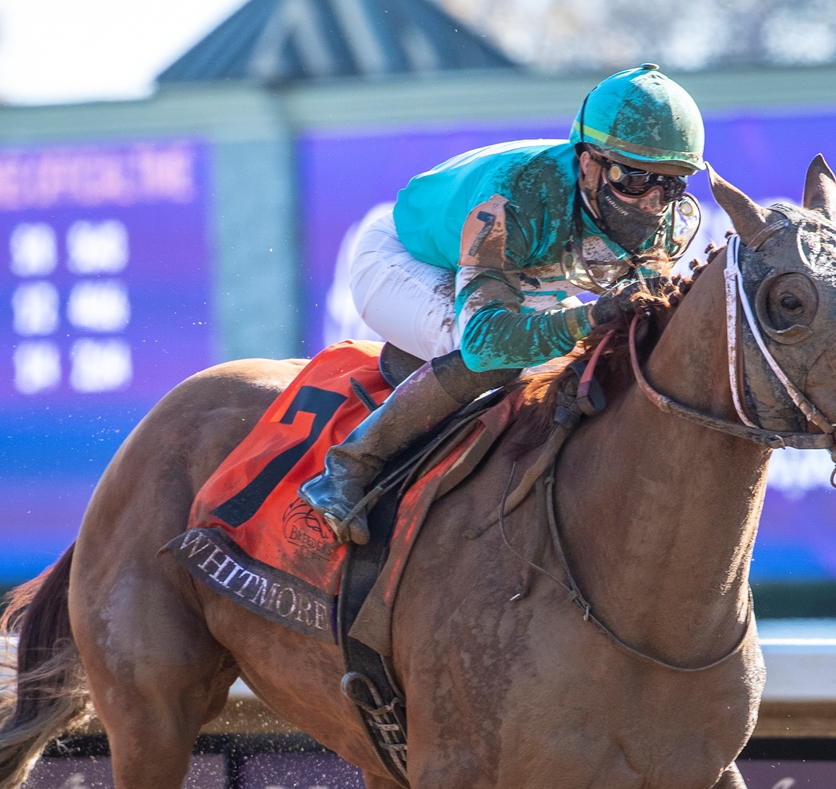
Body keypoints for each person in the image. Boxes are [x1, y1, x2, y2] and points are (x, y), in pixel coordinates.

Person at [301, 64, 705, 545]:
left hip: (520, 270)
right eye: (634, 179)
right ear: (587, 161)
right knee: (501, 359)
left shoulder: (661, 215)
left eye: (671, 184)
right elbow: (485, 343)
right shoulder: (511, 196)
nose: (650, 203)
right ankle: (348, 467)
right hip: (404, 258)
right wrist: (593, 314)